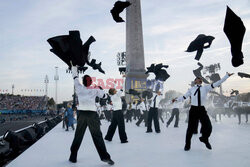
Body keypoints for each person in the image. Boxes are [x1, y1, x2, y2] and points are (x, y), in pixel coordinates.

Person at [173, 72, 233, 151]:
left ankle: (204, 138)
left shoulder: (205, 88)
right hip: (193, 110)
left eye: (200, 78)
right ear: (195, 81)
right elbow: (184, 97)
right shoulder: (191, 89)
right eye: (198, 78)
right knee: (190, 129)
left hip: (202, 109)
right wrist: (176, 100)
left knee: (209, 127)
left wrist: (226, 76)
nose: (200, 79)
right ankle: (187, 145)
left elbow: (217, 83)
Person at [69, 66, 114, 165]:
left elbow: (75, 77)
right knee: (97, 136)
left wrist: (74, 67)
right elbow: (104, 96)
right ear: (90, 82)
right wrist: (100, 89)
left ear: (83, 81)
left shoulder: (79, 87)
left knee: (78, 135)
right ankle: (105, 157)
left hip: (81, 114)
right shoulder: (95, 89)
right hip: (92, 114)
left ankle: (73, 156)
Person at [105, 77, 128, 143]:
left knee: (113, 125)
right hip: (118, 112)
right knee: (121, 126)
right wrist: (124, 79)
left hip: (115, 112)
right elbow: (122, 87)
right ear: (114, 92)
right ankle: (123, 139)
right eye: (115, 90)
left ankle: (108, 137)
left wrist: (114, 84)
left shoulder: (112, 96)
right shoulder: (117, 95)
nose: (116, 90)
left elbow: (112, 90)